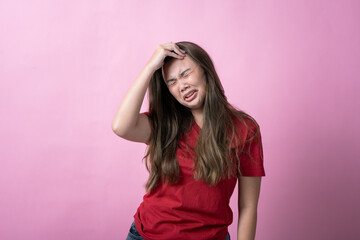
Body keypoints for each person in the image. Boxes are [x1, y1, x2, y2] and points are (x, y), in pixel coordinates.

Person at [112, 41, 266, 240]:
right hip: (148, 235)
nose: (182, 86)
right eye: (172, 82)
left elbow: (248, 206)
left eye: (185, 74)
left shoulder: (245, 129)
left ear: (205, 70)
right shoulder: (165, 124)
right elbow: (120, 127)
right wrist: (150, 67)